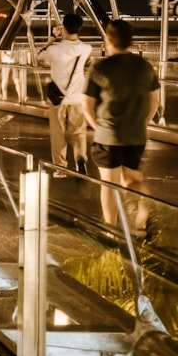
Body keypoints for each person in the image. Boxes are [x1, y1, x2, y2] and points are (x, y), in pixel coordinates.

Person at [80, 18, 162, 234]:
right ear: (130, 40)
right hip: (136, 135)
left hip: (109, 136)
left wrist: (98, 127)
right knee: (132, 180)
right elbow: (154, 101)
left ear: (109, 39)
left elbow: (87, 106)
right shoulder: (144, 66)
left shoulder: (101, 68)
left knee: (109, 184)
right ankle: (143, 213)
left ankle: (110, 229)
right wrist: (141, 122)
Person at [42, 12, 93, 173]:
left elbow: (39, 55)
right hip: (78, 96)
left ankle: (60, 167)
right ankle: (80, 160)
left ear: (63, 28)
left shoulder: (56, 49)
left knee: (58, 133)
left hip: (58, 98)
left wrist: (52, 37)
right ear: (80, 28)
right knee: (78, 132)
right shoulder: (86, 48)